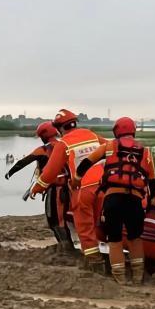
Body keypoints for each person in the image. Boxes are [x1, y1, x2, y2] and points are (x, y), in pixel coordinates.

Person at [72, 117, 155, 285]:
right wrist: (152, 204)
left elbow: (85, 163)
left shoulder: (108, 147)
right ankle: (138, 277)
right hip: (135, 200)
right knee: (135, 238)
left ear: (116, 131)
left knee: (115, 239)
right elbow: (152, 184)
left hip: (113, 199)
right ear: (133, 131)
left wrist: (77, 179)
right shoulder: (145, 152)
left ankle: (120, 279)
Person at [30, 109, 107, 264]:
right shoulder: (92, 135)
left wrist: (37, 188)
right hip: (105, 186)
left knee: (84, 225)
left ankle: (94, 261)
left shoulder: (63, 144)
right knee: (103, 219)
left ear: (59, 128)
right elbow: (111, 148)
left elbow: (50, 173)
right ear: (75, 123)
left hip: (83, 188)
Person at [5, 122, 69, 244]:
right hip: (69, 187)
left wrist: (10, 172)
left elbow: (23, 162)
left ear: (43, 136)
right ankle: (68, 245)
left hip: (54, 189)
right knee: (64, 219)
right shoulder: (65, 145)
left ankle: (65, 247)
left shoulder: (43, 150)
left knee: (54, 220)